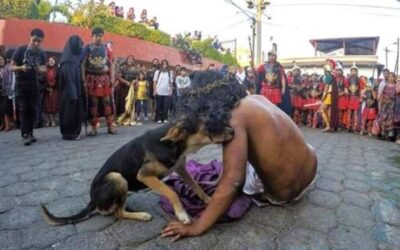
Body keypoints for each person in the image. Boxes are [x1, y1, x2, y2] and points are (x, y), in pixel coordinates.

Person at [161, 71, 317, 241]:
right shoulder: (257, 98)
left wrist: (198, 226)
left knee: (233, 169)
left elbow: (233, 182)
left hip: (284, 194)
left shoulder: (234, 118)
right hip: (311, 170)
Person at [11, 28, 47, 145]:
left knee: (32, 109)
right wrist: (21, 68)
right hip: (21, 83)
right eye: (34, 40)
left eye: (39, 41)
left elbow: (44, 68)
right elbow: (11, 66)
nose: (36, 43)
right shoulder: (21, 49)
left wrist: (39, 69)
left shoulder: (41, 53)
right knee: (23, 109)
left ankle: (30, 133)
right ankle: (25, 134)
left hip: (33, 83)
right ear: (30, 38)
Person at [81, 27, 117, 136]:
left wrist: (112, 78)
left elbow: (111, 65)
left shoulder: (107, 49)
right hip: (92, 78)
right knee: (93, 103)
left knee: (107, 102)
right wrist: (83, 80)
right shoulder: (87, 48)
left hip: (104, 78)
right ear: (92, 37)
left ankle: (110, 126)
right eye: (96, 36)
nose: (98, 38)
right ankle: (94, 127)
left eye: (100, 36)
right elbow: (82, 64)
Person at [58, 35, 84, 141]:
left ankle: (73, 132)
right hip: (69, 94)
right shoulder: (68, 62)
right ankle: (69, 133)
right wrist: (74, 95)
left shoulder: (72, 59)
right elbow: (69, 79)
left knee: (71, 112)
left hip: (73, 92)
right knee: (69, 113)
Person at [257, 49, 291, 115]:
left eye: (273, 56)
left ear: (275, 57)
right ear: (268, 57)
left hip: (275, 89)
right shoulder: (263, 66)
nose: (271, 57)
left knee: (274, 107)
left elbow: (282, 77)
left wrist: (283, 88)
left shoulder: (279, 67)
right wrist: (252, 66)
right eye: (270, 55)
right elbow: (256, 73)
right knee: (264, 105)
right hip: (265, 89)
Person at [377, 72, 398, 140]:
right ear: (387, 78)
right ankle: (383, 134)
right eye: (389, 76)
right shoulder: (385, 85)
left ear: (394, 77)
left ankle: (389, 135)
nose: (391, 77)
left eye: (392, 76)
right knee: (383, 118)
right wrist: (380, 104)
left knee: (390, 120)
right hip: (385, 104)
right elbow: (382, 95)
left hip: (392, 105)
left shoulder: (396, 86)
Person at [320, 59, 339, 132]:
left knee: (322, 110)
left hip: (328, 95)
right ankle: (331, 126)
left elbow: (326, 87)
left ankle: (328, 125)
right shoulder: (332, 76)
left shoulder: (328, 76)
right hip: (331, 95)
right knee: (329, 111)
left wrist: (323, 96)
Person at [345, 63, 364, 133]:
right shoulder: (347, 79)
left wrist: (361, 98)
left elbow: (362, 89)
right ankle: (348, 127)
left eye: (354, 70)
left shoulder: (359, 79)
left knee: (355, 114)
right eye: (352, 70)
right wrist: (346, 90)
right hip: (350, 98)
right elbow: (346, 87)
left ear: (356, 71)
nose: (353, 72)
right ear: (350, 71)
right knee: (349, 113)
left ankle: (355, 128)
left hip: (356, 98)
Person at [0, 52, 14, 132]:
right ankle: (2, 124)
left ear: (4, 60)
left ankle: (8, 125)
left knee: (5, 109)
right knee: (0, 109)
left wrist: (10, 90)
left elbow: (10, 80)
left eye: (1, 59)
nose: (0, 61)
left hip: (6, 91)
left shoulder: (8, 68)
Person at [43, 57, 58, 127]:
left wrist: (53, 87)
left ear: (55, 61)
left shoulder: (57, 69)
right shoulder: (46, 69)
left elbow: (58, 79)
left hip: (55, 89)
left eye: (52, 60)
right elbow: (44, 79)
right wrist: (48, 88)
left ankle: (53, 120)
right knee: (47, 107)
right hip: (47, 90)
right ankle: (48, 120)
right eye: (50, 60)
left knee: (54, 106)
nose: (51, 62)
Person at [335, 63, 348, 130]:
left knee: (340, 112)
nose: (338, 72)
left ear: (342, 71)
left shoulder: (344, 79)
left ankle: (340, 125)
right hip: (335, 97)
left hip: (342, 97)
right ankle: (335, 124)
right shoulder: (334, 78)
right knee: (335, 111)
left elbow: (346, 90)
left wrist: (341, 94)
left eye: (340, 70)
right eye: (337, 70)